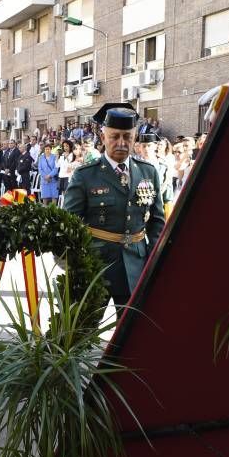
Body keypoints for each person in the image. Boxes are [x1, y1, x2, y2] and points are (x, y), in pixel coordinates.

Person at [64, 103, 165, 307]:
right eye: (114, 136)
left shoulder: (148, 172)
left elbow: (157, 221)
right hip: (95, 266)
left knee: (133, 333)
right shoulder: (85, 175)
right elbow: (68, 223)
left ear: (134, 138)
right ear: (103, 138)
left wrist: (153, 259)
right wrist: (77, 263)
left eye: (127, 137)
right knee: (83, 329)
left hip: (135, 266)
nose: (121, 142)